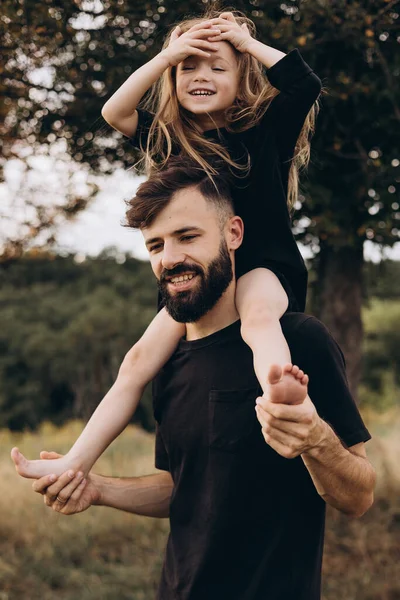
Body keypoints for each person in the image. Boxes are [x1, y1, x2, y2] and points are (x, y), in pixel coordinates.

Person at [31, 160, 375, 600]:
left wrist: (316, 440)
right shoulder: (168, 360)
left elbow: (359, 496)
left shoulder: (301, 340)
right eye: (155, 245)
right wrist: (98, 488)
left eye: (188, 237)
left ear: (233, 234)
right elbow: (187, 485)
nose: (170, 258)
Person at [11, 8, 322, 481]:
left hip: (262, 266)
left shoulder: (265, 133)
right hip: (201, 277)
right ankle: (74, 461)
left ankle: (279, 393)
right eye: (188, 67)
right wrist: (165, 56)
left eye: (218, 67)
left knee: (257, 316)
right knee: (137, 360)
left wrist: (245, 42)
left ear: (242, 79)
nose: (201, 76)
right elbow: (113, 111)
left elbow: (305, 85)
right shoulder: (170, 141)